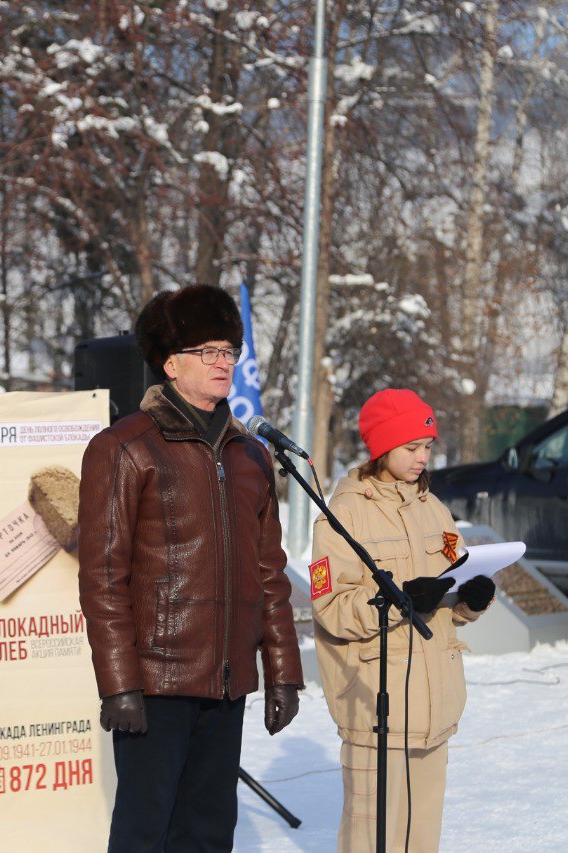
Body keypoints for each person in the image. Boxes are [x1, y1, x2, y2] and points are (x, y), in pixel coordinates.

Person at [78, 284, 303, 852]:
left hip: (227, 682)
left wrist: (282, 670)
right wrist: (120, 683)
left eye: (230, 350)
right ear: (171, 363)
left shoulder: (250, 455)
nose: (224, 362)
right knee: (143, 833)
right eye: (210, 351)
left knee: (208, 834)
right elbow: (102, 579)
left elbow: (270, 573)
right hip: (156, 683)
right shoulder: (125, 447)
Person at [312, 389, 495, 853]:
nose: (423, 457)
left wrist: (471, 599)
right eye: (411, 447)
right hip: (378, 700)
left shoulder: (436, 510)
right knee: (372, 839)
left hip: (435, 702)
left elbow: (452, 591)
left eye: (428, 447)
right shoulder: (344, 515)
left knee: (422, 839)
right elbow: (330, 607)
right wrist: (394, 599)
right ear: (381, 448)